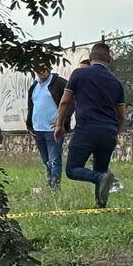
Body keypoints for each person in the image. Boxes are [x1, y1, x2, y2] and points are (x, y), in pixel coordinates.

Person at [54, 41, 125, 207]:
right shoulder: (116, 82)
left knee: (72, 169)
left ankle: (100, 178)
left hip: (86, 129)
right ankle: (100, 205)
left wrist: (59, 125)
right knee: (101, 168)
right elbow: (121, 115)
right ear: (109, 59)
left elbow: (65, 102)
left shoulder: (79, 74)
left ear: (90, 58)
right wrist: (115, 131)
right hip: (108, 131)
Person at [27, 63, 67, 189]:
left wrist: (62, 122)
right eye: (37, 69)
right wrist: (29, 124)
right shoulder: (34, 86)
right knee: (46, 160)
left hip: (53, 129)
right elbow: (31, 107)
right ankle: (50, 182)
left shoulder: (59, 83)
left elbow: (69, 103)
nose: (41, 72)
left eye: (43, 69)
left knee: (54, 159)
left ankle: (55, 186)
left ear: (49, 68)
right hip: (38, 129)